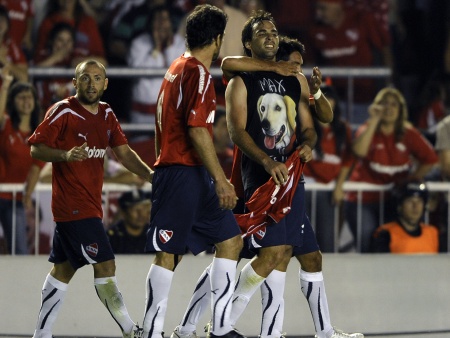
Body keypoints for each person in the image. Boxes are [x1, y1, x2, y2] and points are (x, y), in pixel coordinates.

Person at [170, 28, 361, 338]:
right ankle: (206, 325)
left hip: (291, 179)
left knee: (306, 256)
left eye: (300, 65)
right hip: (258, 181)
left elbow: (319, 120)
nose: (297, 69)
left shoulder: (295, 84)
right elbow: (229, 67)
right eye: (293, 64)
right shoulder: (245, 81)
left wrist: (315, 99)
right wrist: (267, 161)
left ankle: (321, 332)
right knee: (252, 252)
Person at [28, 59, 154, 338]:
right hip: (73, 207)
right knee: (106, 265)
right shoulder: (63, 111)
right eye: (85, 78)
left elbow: (124, 152)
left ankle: (41, 334)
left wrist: (150, 176)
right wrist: (65, 155)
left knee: (62, 271)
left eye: (97, 78)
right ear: (75, 82)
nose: (91, 83)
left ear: (106, 84)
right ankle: (131, 330)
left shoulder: (107, 114)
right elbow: (36, 149)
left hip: (88, 207)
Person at [141, 5, 244, 338]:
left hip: (189, 173)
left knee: (230, 241)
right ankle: (152, 332)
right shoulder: (198, 73)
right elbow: (198, 130)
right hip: (184, 172)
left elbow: (164, 124)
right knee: (168, 254)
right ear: (216, 39)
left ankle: (220, 327)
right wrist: (222, 180)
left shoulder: (177, 67)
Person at [345, 87, 439, 253]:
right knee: (367, 243)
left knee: (393, 245)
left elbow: (430, 158)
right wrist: (374, 120)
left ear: (400, 109)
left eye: (394, 104)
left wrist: (411, 180)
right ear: (376, 107)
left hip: (393, 200)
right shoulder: (367, 129)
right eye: (384, 104)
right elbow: (359, 151)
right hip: (363, 200)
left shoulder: (409, 133)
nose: (389, 108)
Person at [306, 0, 392, 123]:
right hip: (335, 101)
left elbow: (383, 47)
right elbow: (310, 64)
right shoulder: (315, 30)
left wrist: (389, 80)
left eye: (323, 8)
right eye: (317, 8)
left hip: (366, 98)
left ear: (337, 5)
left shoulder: (361, 20)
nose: (319, 13)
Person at [303, 84, 354, 252]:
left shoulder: (342, 129)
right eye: (320, 96)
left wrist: (339, 186)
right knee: (302, 237)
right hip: (307, 187)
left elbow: (348, 158)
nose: (325, 101)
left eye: (329, 97)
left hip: (329, 189)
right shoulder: (305, 126)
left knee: (327, 239)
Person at [0, 74, 44, 255]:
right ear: (13, 101)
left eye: (30, 97)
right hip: (2, 191)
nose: (26, 101)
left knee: (20, 251)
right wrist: (6, 85)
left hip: (15, 198)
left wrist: (27, 196)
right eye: (21, 97)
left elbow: (36, 167)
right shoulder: (6, 124)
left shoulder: (40, 134)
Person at [127, 4, 185, 126]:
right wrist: (156, 49)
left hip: (172, 112)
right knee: (141, 144)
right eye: (157, 20)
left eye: (165, 19)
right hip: (142, 112)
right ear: (151, 23)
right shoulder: (138, 43)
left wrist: (168, 48)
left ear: (171, 23)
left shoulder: (181, 44)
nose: (161, 24)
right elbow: (137, 74)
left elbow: (180, 73)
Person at [34, 0, 107, 66]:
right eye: (60, 39)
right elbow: (38, 64)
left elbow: (102, 61)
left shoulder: (88, 23)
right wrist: (57, 57)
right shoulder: (48, 23)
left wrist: (82, 62)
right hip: (53, 78)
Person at [372, 181, 439, 253]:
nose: (415, 206)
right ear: (399, 206)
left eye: (419, 201)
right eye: (410, 201)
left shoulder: (432, 233)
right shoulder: (385, 234)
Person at [33, 22, 77, 110]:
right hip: (43, 112)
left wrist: (79, 62)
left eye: (69, 41)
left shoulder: (75, 58)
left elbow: (102, 62)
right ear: (52, 41)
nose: (65, 45)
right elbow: (33, 71)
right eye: (60, 40)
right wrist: (55, 58)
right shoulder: (42, 56)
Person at [107, 189, 151, 254]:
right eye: (136, 210)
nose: (141, 215)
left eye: (144, 209)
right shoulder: (111, 238)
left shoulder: (153, 235)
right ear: (124, 213)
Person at [0, 5, 28, 83]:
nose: (0, 24)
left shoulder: (11, 45)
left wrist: (3, 60)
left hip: (7, 93)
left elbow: (24, 77)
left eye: (2, 20)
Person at [213, 106, 233, 178]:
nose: (228, 130)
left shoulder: (233, 158)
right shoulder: (202, 158)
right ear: (212, 128)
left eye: (229, 125)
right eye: (224, 125)